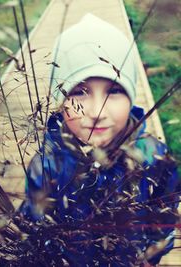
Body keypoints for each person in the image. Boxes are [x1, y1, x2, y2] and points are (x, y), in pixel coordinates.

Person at [20, 14, 179, 266]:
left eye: (114, 91)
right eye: (79, 92)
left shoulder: (154, 155)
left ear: (132, 96)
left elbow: (165, 215)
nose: (96, 112)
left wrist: (152, 255)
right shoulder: (47, 165)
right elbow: (33, 227)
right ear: (60, 101)